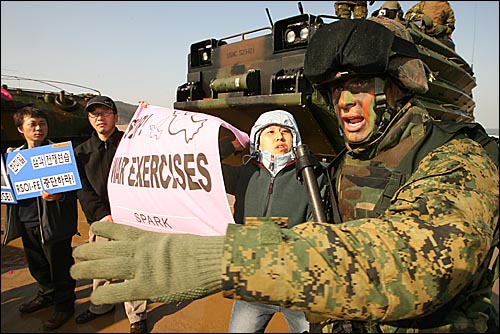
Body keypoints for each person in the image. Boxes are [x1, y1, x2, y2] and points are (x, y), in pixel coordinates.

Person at [70, 17, 499, 333]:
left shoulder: (456, 159)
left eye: (361, 84)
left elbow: (416, 264)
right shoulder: (339, 166)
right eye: (335, 89)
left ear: (398, 86)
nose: (346, 100)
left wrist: (225, 261)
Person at [219, 110, 320, 333]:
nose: (279, 137)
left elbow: (317, 232)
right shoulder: (245, 174)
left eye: (286, 131)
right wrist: (234, 145)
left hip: (296, 289)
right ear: (257, 140)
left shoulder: (312, 176)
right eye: (270, 132)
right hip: (252, 284)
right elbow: (204, 164)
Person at [73, 95, 148, 334]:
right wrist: (102, 215)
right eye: (95, 114)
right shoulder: (81, 152)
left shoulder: (132, 143)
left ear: (116, 117)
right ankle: (101, 307)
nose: (100, 118)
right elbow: (81, 188)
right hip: (101, 221)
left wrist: (146, 118)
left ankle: (137, 315)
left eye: (105, 112)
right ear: (89, 120)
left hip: (130, 219)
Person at [3, 106, 78, 330]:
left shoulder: (59, 154)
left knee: (60, 266)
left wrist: (60, 193)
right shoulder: (13, 156)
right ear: (20, 129)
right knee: (37, 265)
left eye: (42, 124)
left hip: (54, 223)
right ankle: (46, 294)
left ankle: (64, 306)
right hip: (26, 220)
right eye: (32, 124)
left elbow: (75, 187)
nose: (38, 129)